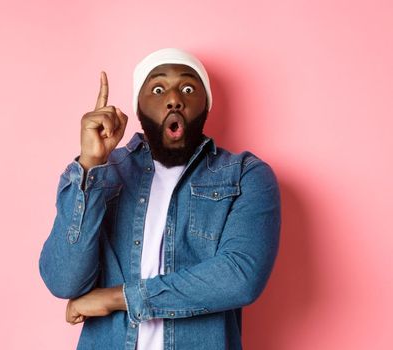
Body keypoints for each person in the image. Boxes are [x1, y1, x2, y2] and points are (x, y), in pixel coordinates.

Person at [38, 48, 281, 350]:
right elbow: (64, 281)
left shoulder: (247, 175)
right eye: (157, 88)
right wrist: (90, 165)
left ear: (206, 104)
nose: (174, 98)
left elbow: (240, 276)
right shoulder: (103, 174)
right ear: (138, 107)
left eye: (189, 88)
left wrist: (120, 298)